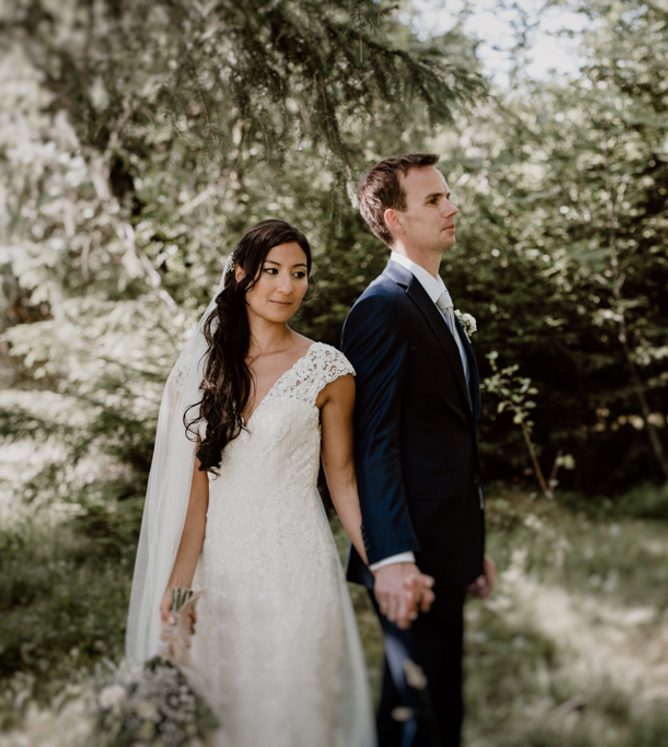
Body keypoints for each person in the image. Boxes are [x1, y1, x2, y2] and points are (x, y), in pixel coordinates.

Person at [125, 219, 376, 747]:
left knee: (298, 707)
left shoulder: (328, 369)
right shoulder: (201, 372)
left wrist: (383, 562)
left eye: (299, 273)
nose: (287, 286)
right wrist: (180, 587)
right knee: (230, 714)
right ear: (241, 275)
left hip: (298, 566)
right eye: (272, 271)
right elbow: (197, 499)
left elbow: (344, 480)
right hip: (221, 574)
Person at [342, 153, 497, 747]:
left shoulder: (436, 302)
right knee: (427, 718)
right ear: (395, 219)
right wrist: (392, 558)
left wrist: (471, 541)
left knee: (420, 711)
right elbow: (373, 443)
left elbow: (446, 436)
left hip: (445, 546)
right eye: (433, 200)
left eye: (448, 195)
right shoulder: (382, 308)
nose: (451, 207)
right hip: (410, 557)